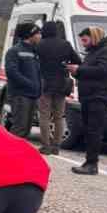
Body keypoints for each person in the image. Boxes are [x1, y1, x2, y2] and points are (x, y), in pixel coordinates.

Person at [71, 26, 107, 176]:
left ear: (94, 37)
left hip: (98, 96)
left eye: (85, 40)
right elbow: (89, 72)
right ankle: (88, 161)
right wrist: (76, 72)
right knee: (89, 129)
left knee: (94, 130)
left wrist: (79, 70)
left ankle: (92, 163)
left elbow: (103, 71)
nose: (83, 44)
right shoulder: (93, 52)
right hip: (88, 96)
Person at [35, 19, 81, 156]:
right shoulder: (65, 44)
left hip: (44, 84)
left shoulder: (40, 45)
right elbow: (77, 61)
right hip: (61, 84)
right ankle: (56, 146)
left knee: (44, 115)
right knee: (59, 117)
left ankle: (45, 146)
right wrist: (65, 64)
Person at [4, 22, 42, 139]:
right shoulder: (14, 51)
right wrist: (30, 84)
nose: (40, 36)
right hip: (20, 95)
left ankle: (17, 155)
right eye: (38, 33)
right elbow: (12, 72)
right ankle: (7, 154)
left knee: (26, 129)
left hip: (33, 95)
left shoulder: (35, 51)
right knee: (19, 127)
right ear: (29, 35)